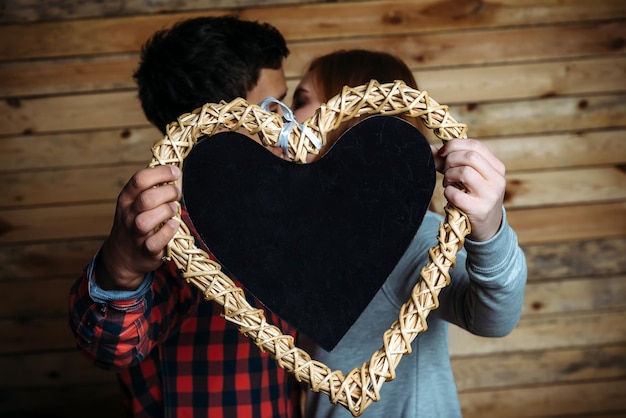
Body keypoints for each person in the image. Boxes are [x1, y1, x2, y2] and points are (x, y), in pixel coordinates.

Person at [68, 16, 301, 417]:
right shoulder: (172, 234)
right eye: (269, 108)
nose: (288, 123)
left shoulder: (284, 212)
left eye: (288, 102)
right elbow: (114, 345)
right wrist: (121, 271)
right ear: (212, 124)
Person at [290, 49, 528, 417]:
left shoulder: (412, 240)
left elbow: (493, 317)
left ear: (353, 120)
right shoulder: (306, 242)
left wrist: (490, 228)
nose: (286, 116)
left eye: (302, 101)